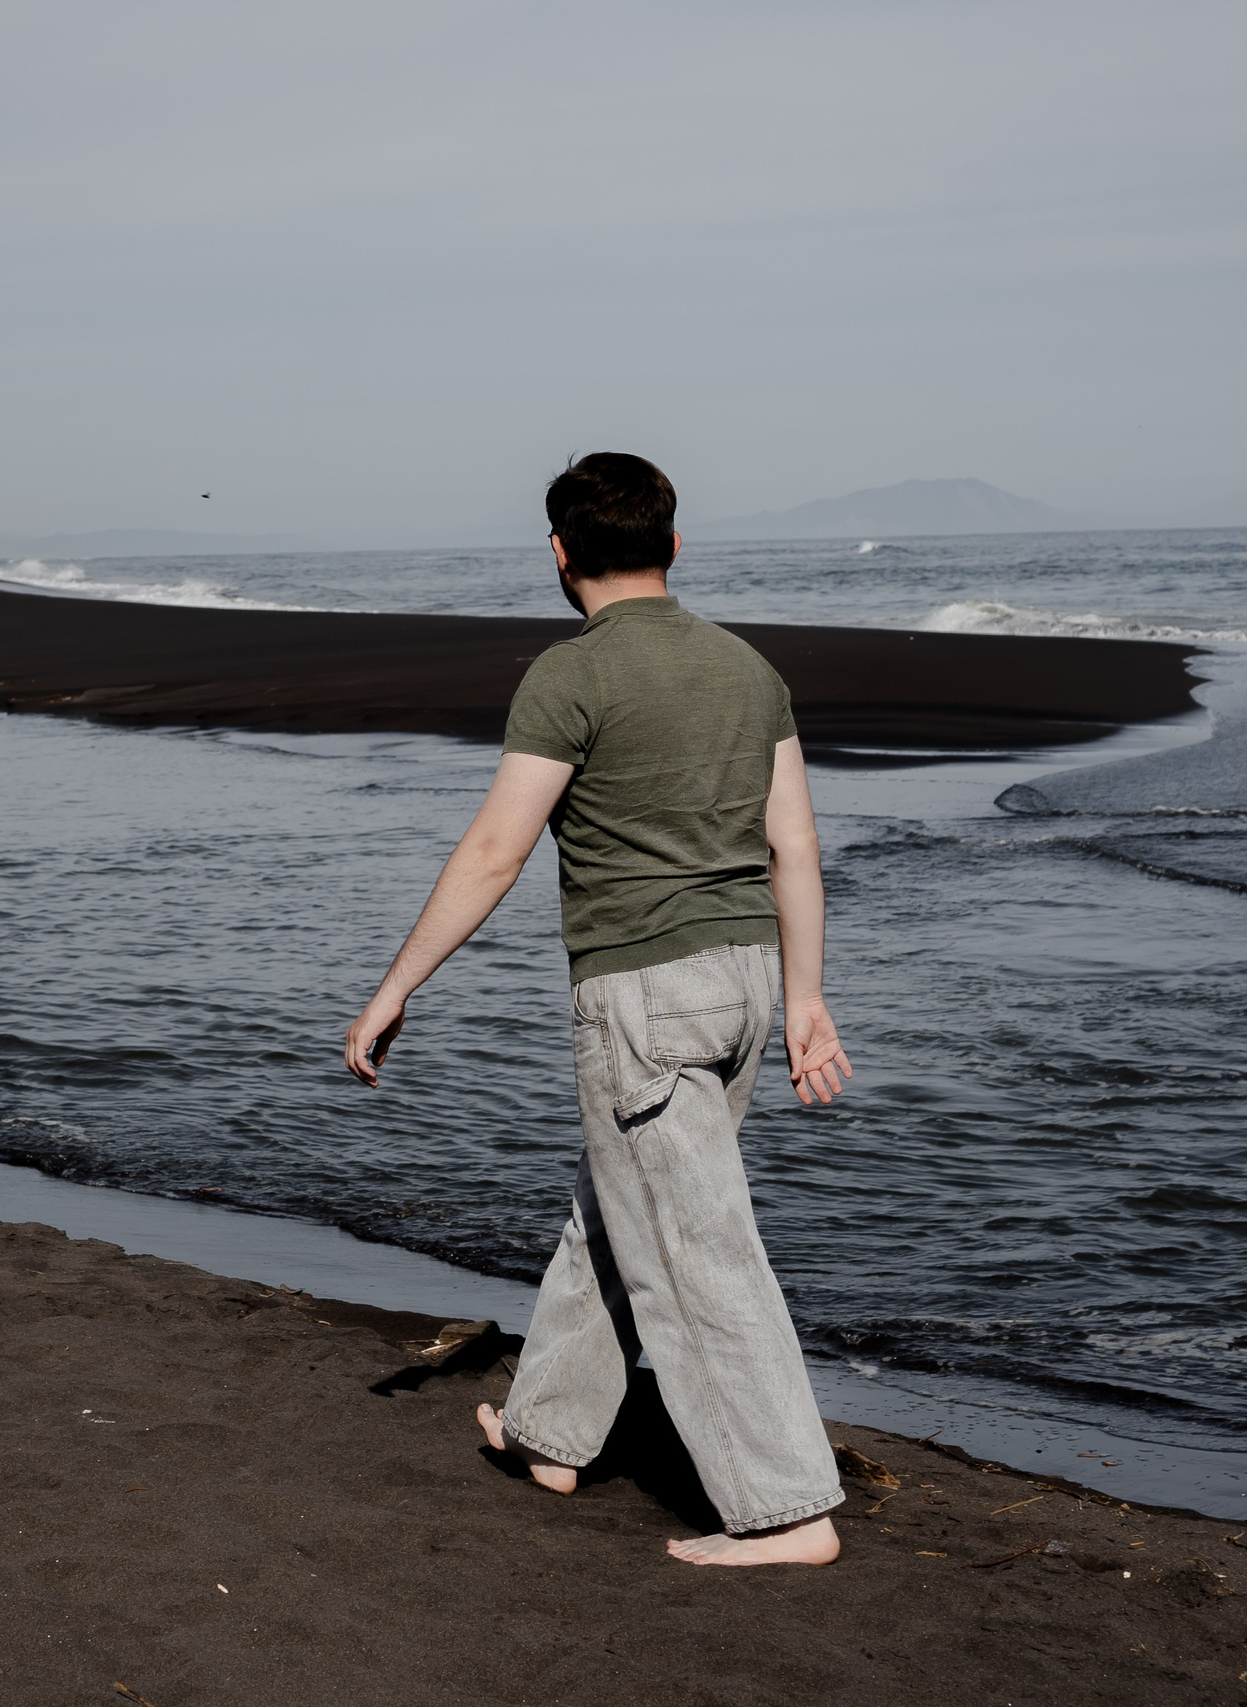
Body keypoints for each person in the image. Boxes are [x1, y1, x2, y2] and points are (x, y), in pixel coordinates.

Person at [343, 451, 854, 1567]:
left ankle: (787, 1510)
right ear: (673, 545)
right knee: (619, 1210)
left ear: (561, 553)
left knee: (693, 1248)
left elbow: (494, 852)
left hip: (644, 994)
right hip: (747, 985)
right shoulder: (746, 669)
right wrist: (808, 999)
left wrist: (394, 987)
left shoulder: (568, 676)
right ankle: (551, 1436)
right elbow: (797, 846)